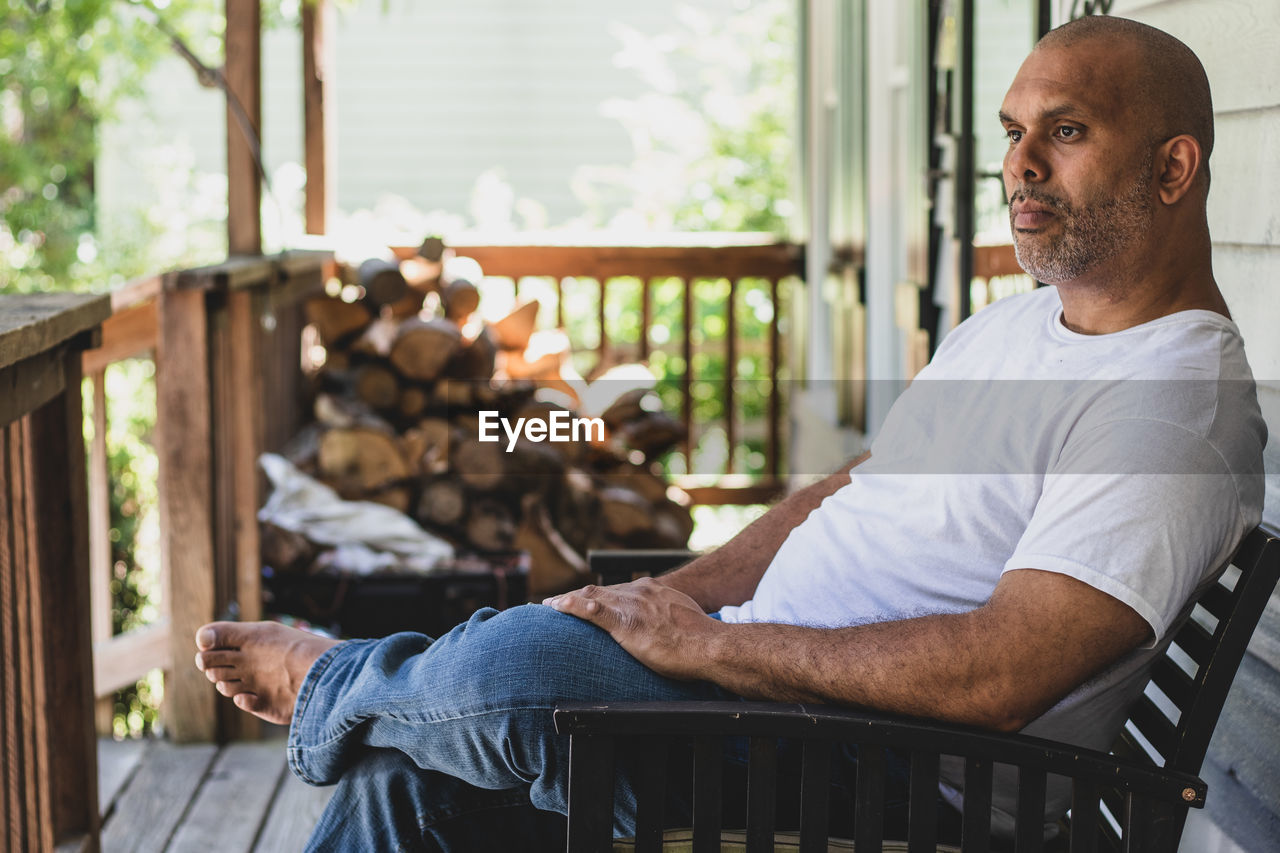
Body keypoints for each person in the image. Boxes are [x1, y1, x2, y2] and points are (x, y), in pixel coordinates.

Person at [194, 15, 1264, 850]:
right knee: (410, 772)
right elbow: (851, 488)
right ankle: (368, 689)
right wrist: (682, 599)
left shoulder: (1171, 408)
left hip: (889, 775)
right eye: (1011, 134)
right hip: (764, 701)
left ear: (1170, 171)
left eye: (1064, 132)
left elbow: (998, 674)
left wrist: (713, 647)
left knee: (510, 672)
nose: (1019, 164)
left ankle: (336, 680)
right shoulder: (1021, 324)